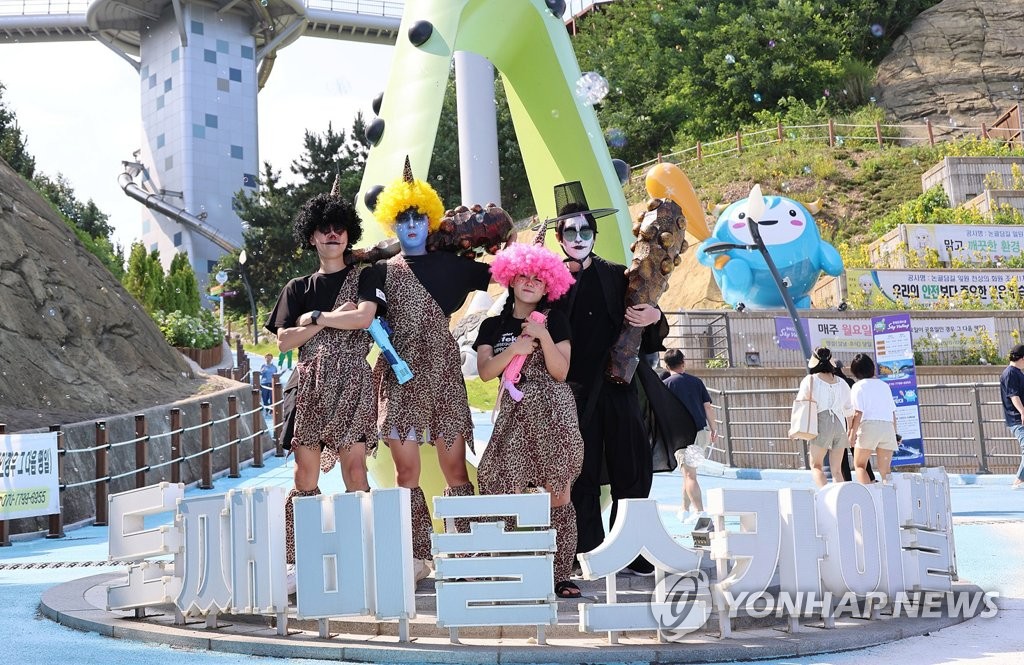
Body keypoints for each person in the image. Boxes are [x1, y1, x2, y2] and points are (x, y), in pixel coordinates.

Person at [372, 159, 498, 580]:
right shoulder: (380, 273)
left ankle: (469, 550)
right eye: (402, 218)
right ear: (393, 223)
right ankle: (416, 556)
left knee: (456, 469)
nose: (411, 225)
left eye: (418, 217)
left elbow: (509, 276)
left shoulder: (456, 267)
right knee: (405, 472)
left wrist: (506, 239)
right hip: (398, 375)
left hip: (444, 373)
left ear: (430, 221)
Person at [265, 193, 385, 591]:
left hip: (353, 379)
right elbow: (284, 340)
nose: (332, 235)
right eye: (324, 229)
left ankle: (366, 556)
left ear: (349, 234)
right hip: (310, 383)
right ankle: (298, 561)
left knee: (356, 470)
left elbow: (364, 318)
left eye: (339, 228)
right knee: (305, 476)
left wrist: (313, 318)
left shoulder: (367, 276)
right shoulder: (297, 286)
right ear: (312, 237)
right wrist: (330, 319)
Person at [546, 181, 668, 575]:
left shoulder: (618, 275)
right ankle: (588, 551)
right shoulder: (546, 282)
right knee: (578, 473)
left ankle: (633, 548)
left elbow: (646, 323)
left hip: (619, 385)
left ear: (594, 234)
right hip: (570, 393)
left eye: (585, 230)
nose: (578, 238)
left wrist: (656, 317)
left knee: (631, 466)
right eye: (570, 231)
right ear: (559, 237)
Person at [474, 243, 583, 598]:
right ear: (511, 277)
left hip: (553, 411)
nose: (531, 282)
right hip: (513, 415)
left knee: (558, 492)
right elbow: (487, 372)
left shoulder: (557, 320)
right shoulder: (492, 325)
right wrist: (515, 350)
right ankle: (500, 565)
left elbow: (561, 371)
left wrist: (543, 336)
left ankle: (560, 575)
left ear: (549, 284)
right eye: (524, 275)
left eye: (539, 278)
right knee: (496, 480)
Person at [661, 349, 716, 522]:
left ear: (666, 365)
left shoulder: (665, 385)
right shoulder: (696, 382)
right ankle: (684, 509)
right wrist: (713, 428)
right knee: (690, 473)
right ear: (683, 362)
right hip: (700, 432)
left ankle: (700, 512)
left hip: (681, 436)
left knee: (689, 474)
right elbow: (708, 407)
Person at [795, 347, 853, 488]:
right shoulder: (841, 382)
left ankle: (826, 497)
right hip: (840, 425)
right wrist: (851, 431)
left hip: (821, 422)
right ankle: (840, 501)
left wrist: (796, 428)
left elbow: (801, 402)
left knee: (816, 465)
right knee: (837, 471)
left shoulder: (810, 380)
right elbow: (849, 410)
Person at [848, 353, 898, 484]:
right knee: (885, 471)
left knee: (860, 465)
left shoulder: (858, 386)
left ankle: (869, 498)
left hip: (869, 427)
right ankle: (890, 500)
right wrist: (895, 434)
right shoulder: (884, 385)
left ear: (856, 372)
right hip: (887, 427)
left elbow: (858, 412)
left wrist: (852, 434)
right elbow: (892, 413)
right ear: (872, 368)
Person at [833, 361, 875, 483]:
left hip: (839, 422)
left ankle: (847, 482)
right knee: (858, 454)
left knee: (842, 457)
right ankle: (871, 478)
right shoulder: (851, 382)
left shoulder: (833, 384)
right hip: (852, 421)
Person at [998, 343, 1024, 490]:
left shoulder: (1017, 372)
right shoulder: (1010, 373)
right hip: (1017, 418)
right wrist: (1022, 412)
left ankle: (1020, 480)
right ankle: (1019, 480)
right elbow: (1013, 395)